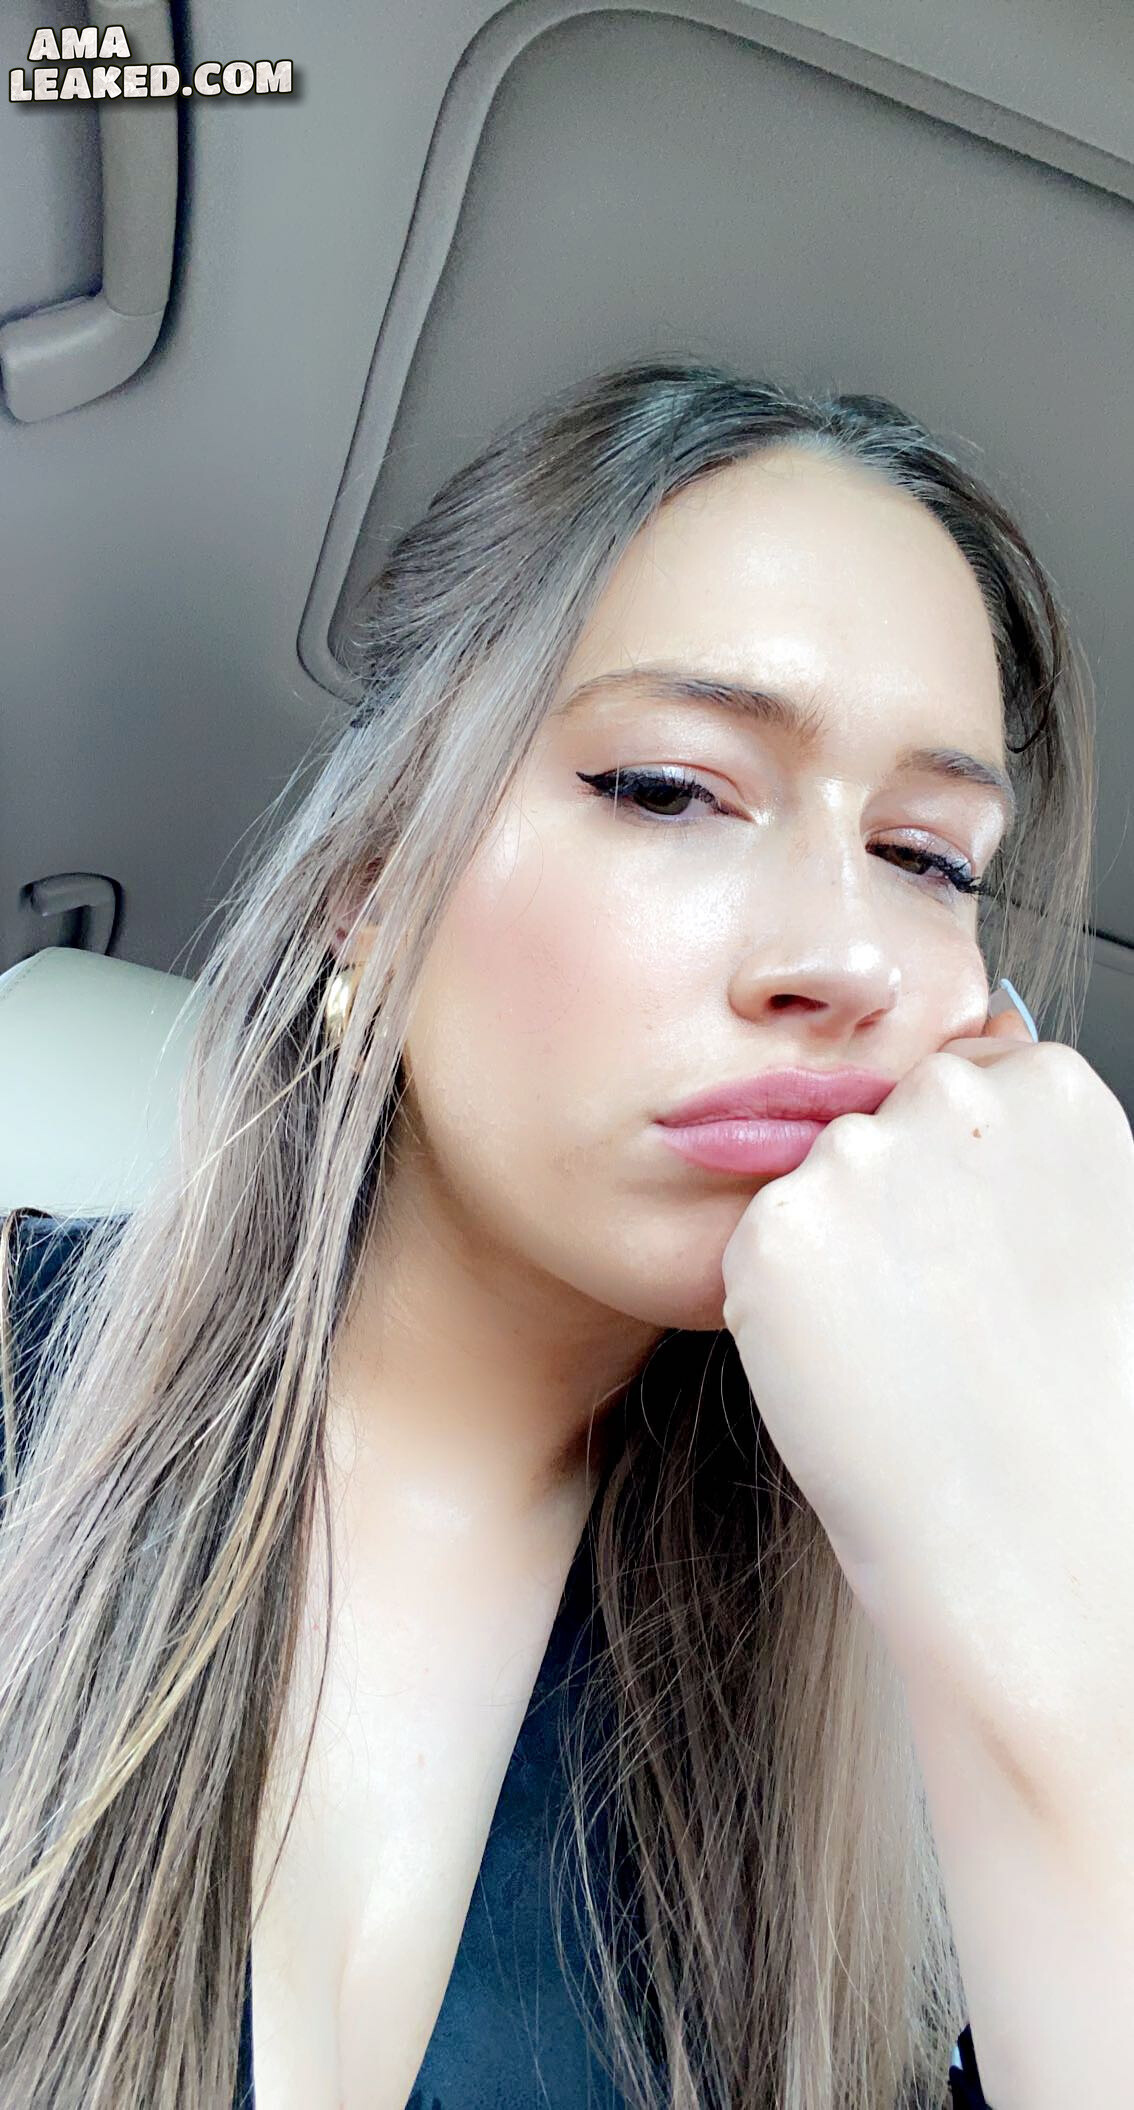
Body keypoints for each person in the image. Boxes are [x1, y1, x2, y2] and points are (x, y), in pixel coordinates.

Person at [0, 359, 1094, 2109]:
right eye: (668, 787)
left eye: (926, 858)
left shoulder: (887, 1772)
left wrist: (1057, 1610)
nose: (845, 959)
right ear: (371, 893)